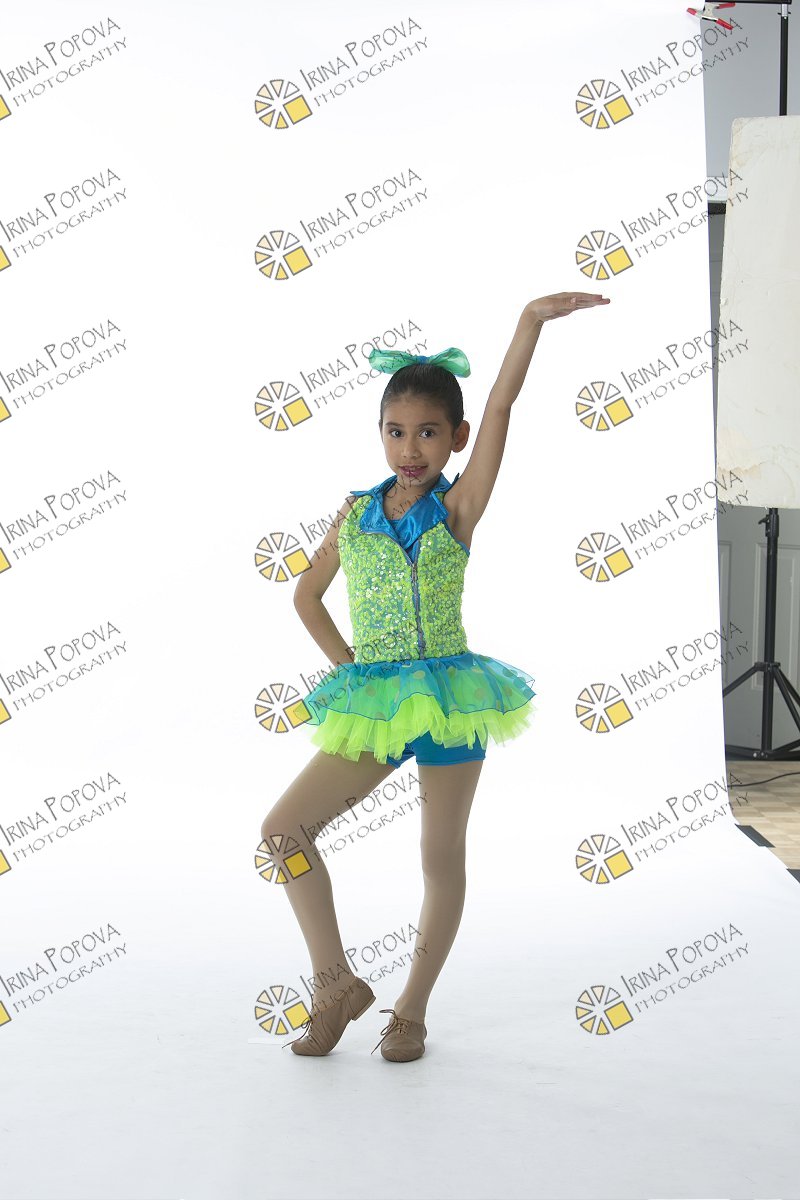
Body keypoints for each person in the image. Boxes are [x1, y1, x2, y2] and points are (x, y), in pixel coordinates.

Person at [262, 291, 610, 1062]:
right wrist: (354, 675)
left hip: (452, 699)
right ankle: (335, 985)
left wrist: (529, 323)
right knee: (284, 833)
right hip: (380, 703)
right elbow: (306, 597)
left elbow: (503, 406)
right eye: (396, 431)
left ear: (455, 437)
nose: (410, 448)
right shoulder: (354, 514)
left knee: (439, 857)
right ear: (380, 434)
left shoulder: (458, 507)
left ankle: (411, 1010)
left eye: (427, 432)